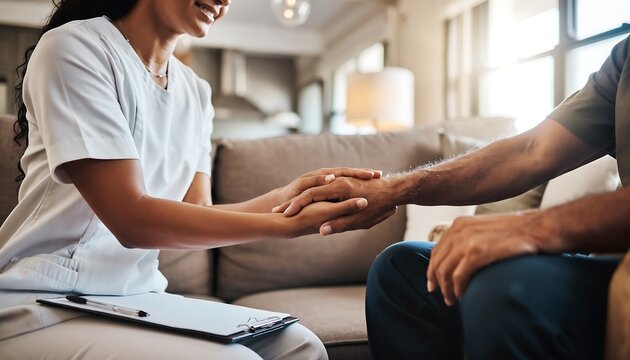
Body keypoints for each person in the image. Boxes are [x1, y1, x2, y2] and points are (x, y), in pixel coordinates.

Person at [0, 0, 387, 358]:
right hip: (42, 299)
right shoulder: (73, 48)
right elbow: (131, 219)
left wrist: (287, 197)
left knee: (301, 347)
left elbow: (195, 212)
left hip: (135, 294)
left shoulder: (195, 92)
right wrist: (284, 226)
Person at [274, 35, 630, 359]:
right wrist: (390, 189)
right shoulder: (623, 58)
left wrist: (534, 227)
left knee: (505, 286)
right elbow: (532, 150)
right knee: (401, 269)